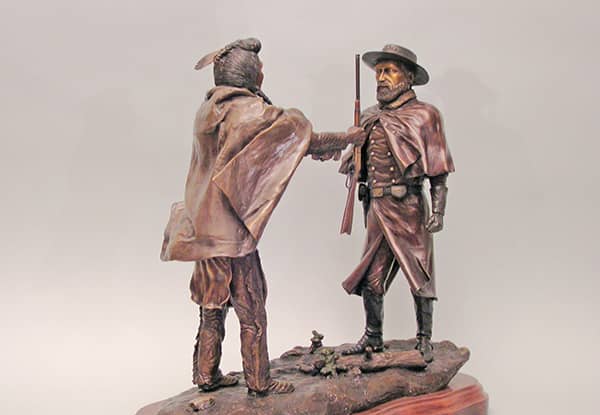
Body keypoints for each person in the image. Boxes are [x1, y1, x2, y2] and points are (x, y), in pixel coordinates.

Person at [160, 38, 364, 396]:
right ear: (252, 75)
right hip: (229, 233)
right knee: (251, 308)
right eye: (261, 71)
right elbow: (299, 137)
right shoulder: (248, 111)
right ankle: (259, 381)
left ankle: (206, 375)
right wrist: (346, 138)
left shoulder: (209, 109)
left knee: (212, 306)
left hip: (201, 230)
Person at [340, 44, 454, 362]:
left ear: (408, 77)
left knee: (419, 276)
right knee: (372, 278)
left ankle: (424, 339)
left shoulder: (425, 115)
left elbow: (439, 169)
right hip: (377, 209)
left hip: (409, 208)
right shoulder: (369, 116)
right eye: (379, 72)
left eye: (389, 71)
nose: (381, 78)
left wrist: (438, 210)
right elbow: (358, 164)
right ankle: (373, 337)